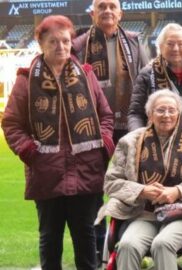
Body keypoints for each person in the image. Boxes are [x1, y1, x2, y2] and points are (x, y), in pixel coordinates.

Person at [1, 15, 114, 270]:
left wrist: (104, 143)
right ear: (40, 43)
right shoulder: (26, 79)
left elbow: (105, 115)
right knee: (50, 239)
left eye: (65, 41)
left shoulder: (86, 75)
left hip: (86, 170)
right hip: (46, 171)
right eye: (53, 41)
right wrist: (28, 150)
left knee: (86, 238)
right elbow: (11, 123)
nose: (60, 46)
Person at [97, 90, 182, 269]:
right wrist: (141, 190)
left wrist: (178, 191)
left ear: (179, 113)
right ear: (150, 114)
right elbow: (111, 183)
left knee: (162, 244)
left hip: (181, 213)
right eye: (160, 110)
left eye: (172, 110)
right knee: (127, 246)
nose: (167, 115)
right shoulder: (129, 142)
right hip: (143, 214)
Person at [72, 0, 148, 259]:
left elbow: (147, 79)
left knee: (130, 186)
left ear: (120, 13)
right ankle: (97, 246)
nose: (106, 11)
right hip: (93, 129)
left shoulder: (136, 41)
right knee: (95, 188)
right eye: (101, 6)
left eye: (111, 6)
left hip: (130, 126)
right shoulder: (79, 45)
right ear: (92, 13)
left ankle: (128, 245)